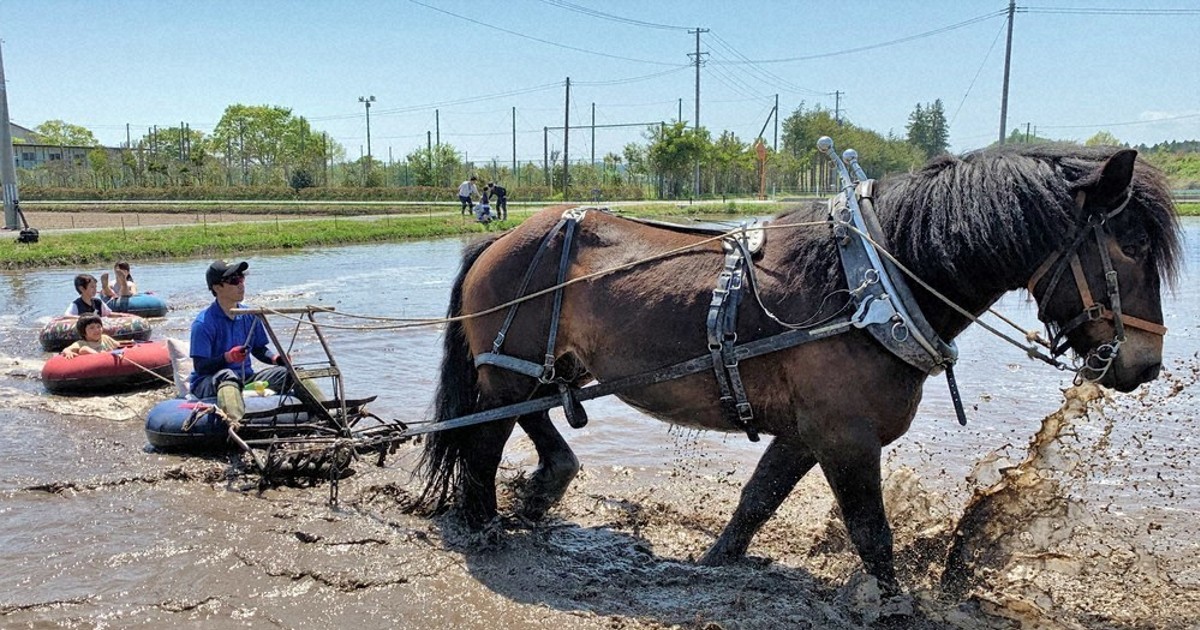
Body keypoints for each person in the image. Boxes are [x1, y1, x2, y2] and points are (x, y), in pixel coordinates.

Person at [187, 260, 295, 423]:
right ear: (217, 288)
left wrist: (276, 359)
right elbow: (200, 366)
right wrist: (227, 358)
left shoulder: (249, 315)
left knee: (292, 372)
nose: (241, 285)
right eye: (233, 281)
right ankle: (235, 423)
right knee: (227, 374)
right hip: (209, 382)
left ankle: (324, 411)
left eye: (242, 278)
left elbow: (259, 348)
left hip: (244, 378)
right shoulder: (203, 324)